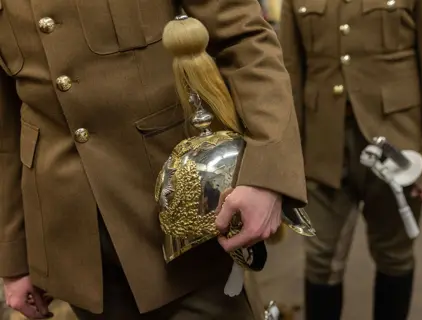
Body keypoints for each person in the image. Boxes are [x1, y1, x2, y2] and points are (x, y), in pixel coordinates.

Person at [0, 1, 307, 319]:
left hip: (182, 215)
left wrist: (266, 174)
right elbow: (7, 125)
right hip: (74, 240)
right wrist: (14, 256)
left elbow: (243, 39)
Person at [279, 0, 422, 319]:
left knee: (395, 256)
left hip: (398, 143)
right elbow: (291, 71)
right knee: (320, 257)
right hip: (323, 147)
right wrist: (285, 160)